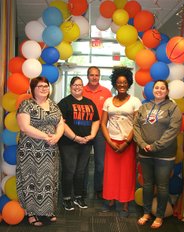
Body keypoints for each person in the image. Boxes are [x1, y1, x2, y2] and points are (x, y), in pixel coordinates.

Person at [133, 80, 183, 229]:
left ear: (167, 91)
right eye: (157, 88)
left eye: (162, 88)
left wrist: (155, 146)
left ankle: (159, 215)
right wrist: (142, 144)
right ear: (153, 90)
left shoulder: (173, 108)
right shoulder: (144, 107)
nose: (159, 90)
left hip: (164, 154)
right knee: (148, 184)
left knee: (162, 186)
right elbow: (136, 126)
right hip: (145, 153)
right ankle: (147, 212)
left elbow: (173, 129)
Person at [16, 76, 64, 226]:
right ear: (32, 89)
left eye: (46, 86)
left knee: (49, 180)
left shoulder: (54, 105)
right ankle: (31, 213)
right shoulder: (26, 105)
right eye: (40, 86)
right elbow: (24, 127)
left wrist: (56, 136)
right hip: (30, 151)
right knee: (32, 180)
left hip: (50, 151)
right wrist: (46, 137)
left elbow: (61, 123)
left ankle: (47, 211)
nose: (44, 88)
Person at [100, 67, 141, 216]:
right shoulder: (108, 101)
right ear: (115, 84)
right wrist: (110, 142)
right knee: (110, 173)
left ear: (129, 83)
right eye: (119, 82)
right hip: (111, 141)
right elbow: (103, 123)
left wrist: (126, 143)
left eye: (124, 82)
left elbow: (137, 125)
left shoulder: (135, 101)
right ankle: (110, 200)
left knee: (126, 173)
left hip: (127, 143)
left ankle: (124, 203)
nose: (121, 85)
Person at [58, 76, 100, 211]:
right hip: (68, 143)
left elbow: (96, 120)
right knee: (69, 171)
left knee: (81, 172)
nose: (77, 87)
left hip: (86, 143)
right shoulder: (64, 103)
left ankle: (78, 196)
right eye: (75, 85)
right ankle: (66, 198)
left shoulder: (89, 103)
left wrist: (92, 135)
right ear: (70, 87)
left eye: (80, 85)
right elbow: (61, 124)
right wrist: (75, 137)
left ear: (83, 87)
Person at [82, 66, 112, 200]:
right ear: (87, 76)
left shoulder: (106, 92)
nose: (94, 77)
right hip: (83, 129)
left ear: (99, 76)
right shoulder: (80, 90)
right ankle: (81, 189)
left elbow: (111, 113)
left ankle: (98, 189)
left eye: (96, 75)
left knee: (100, 164)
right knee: (83, 163)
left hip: (100, 131)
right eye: (91, 75)